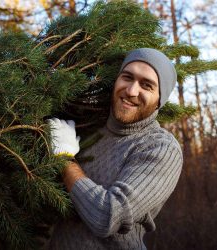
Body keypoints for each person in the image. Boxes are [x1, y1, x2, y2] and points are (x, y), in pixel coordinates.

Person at [47, 48, 183, 249]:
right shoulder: (88, 127)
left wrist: (65, 159)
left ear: (159, 102)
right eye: (127, 77)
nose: (131, 91)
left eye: (147, 85)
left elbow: (108, 217)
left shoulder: (160, 148)